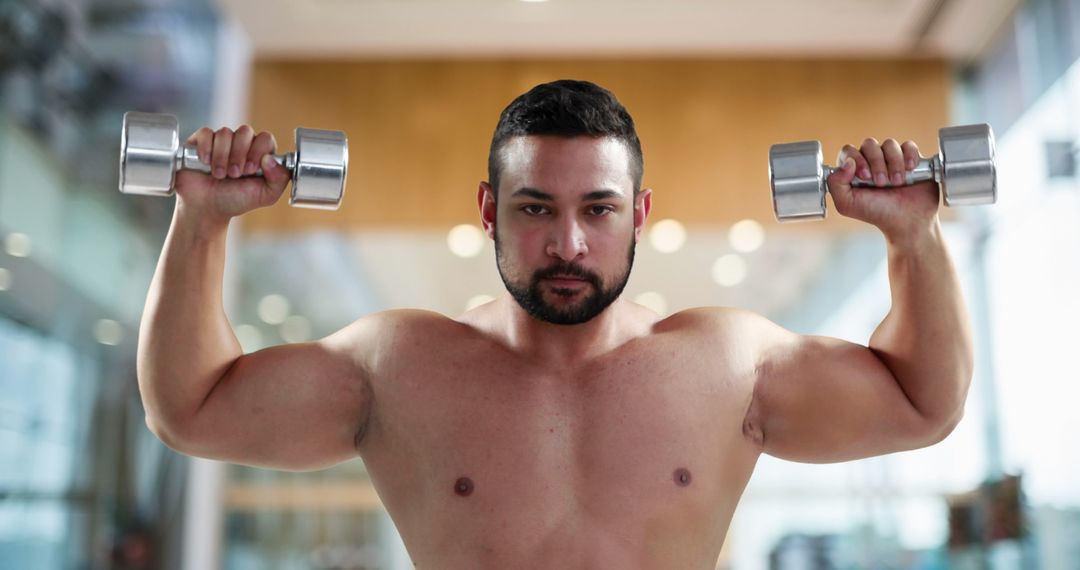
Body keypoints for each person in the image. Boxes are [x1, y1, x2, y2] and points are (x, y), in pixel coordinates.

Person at [137, 79, 973, 569]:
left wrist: (913, 237)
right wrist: (201, 222)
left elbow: (922, 404)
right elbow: (191, 409)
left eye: (598, 210)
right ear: (489, 211)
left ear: (638, 214)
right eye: (536, 207)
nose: (568, 244)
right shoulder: (398, 366)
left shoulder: (725, 364)